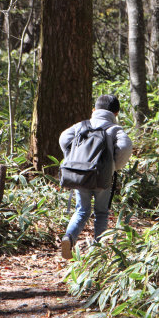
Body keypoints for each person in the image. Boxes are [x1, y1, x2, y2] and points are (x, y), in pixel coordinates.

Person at [59, 94, 133, 259]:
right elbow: (125, 147)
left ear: (94, 110)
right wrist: (114, 166)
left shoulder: (82, 125)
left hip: (81, 176)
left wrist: (74, 159)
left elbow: (64, 138)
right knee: (101, 212)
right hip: (102, 178)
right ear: (116, 113)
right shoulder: (114, 129)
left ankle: (68, 238)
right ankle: (98, 251)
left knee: (81, 210)